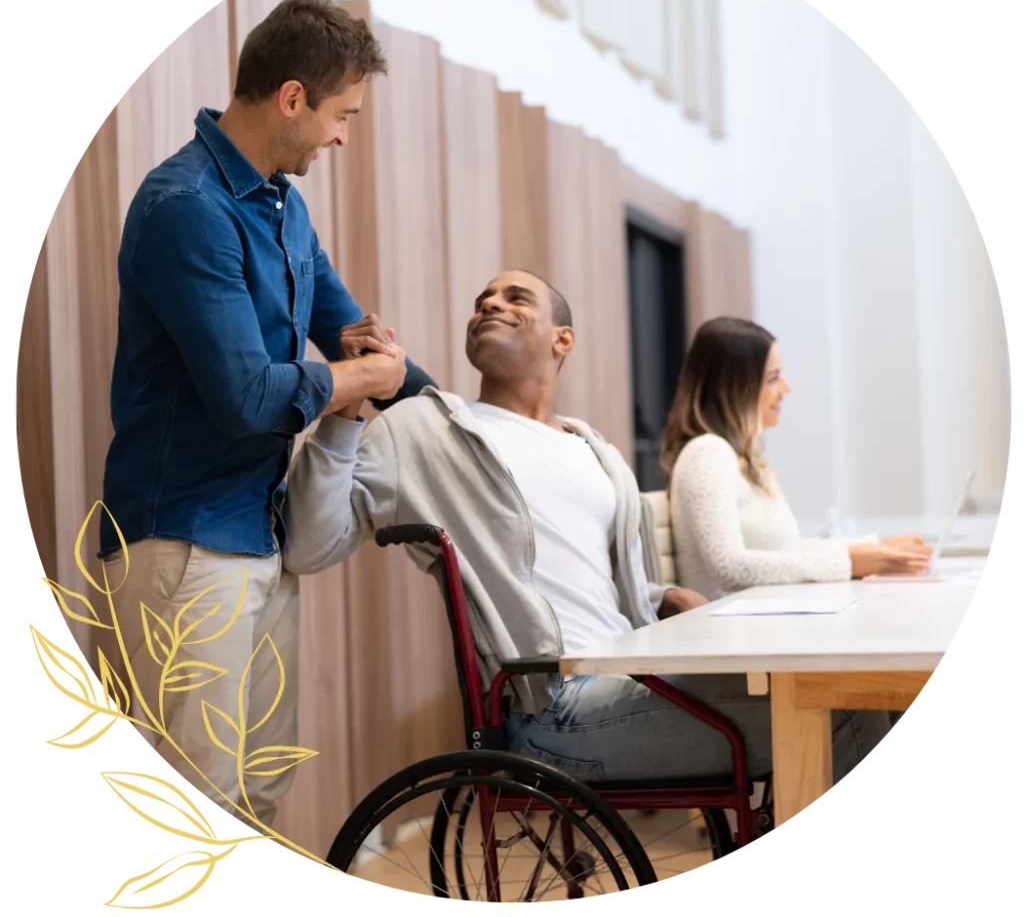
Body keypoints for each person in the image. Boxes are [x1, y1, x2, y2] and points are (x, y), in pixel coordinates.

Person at [281, 271, 892, 793]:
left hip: (640, 675)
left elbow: (587, 582)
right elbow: (309, 545)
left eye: (517, 298)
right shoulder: (425, 429)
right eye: (482, 300)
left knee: (861, 691)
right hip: (555, 710)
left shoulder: (593, 449)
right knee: (846, 711)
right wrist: (346, 407)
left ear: (562, 340)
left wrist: (659, 598)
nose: (491, 304)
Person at [98, 0, 433, 827]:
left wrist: (423, 389)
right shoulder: (186, 207)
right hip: (181, 544)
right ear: (291, 98)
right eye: (341, 115)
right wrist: (358, 382)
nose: (343, 137)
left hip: (260, 536)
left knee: (257, 796)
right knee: (189, 805)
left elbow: (353, 340)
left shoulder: (285, 206)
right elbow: (249, 398)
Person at [661, 316, 932, 602]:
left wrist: (874, 549)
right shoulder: (706, 454)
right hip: (726, 635)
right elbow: (729, 568)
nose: (786, 388)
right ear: (734, 387)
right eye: (773, 379)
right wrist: (850, 562)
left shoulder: (733, 457)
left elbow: (785, 551)